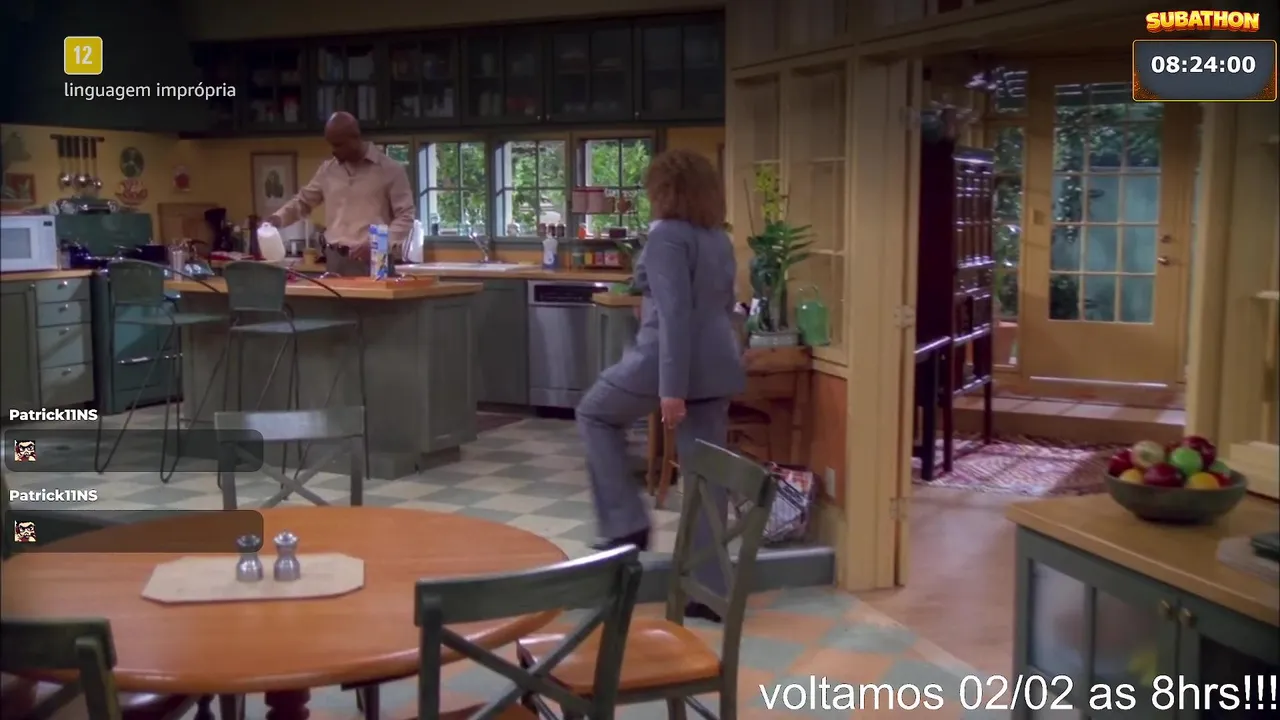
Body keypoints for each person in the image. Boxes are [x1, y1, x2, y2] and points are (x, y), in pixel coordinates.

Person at [577, 148, 745, 622]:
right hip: (717, 364)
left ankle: (626, 523)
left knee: (594, 413)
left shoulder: (668, 236)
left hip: (665, 361)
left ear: (664, 190)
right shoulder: (718, 239)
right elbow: (723, 307)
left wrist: (672, 389)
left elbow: (673, 315)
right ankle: (708, 590)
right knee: (705, 476)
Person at [265, 112, 415, 276]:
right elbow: (303, 201)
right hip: (336, 259)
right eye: (331, 145)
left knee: (376, 294)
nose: (334, 151)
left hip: (376, 256)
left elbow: (406, 215)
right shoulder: (327, 171)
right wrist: (278, 218)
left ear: (355, 137)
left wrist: (379, 244)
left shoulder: (390, 170)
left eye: (339, 145)